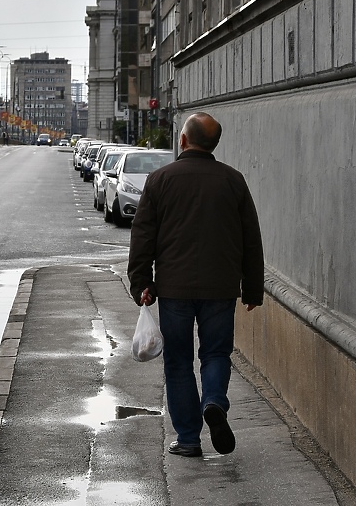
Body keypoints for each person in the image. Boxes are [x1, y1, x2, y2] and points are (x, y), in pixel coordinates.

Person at [127, 112, 264, 458]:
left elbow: (143, 236)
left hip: (174, 289)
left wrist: (142, 281)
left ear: (184, 140)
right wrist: (252, 288)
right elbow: (251, 239)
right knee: (216, 353)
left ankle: (188, 439)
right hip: (220, 287)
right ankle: (214, 401)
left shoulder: (160, 180)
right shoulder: (233, 181)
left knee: (178, 362)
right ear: (213, 144)